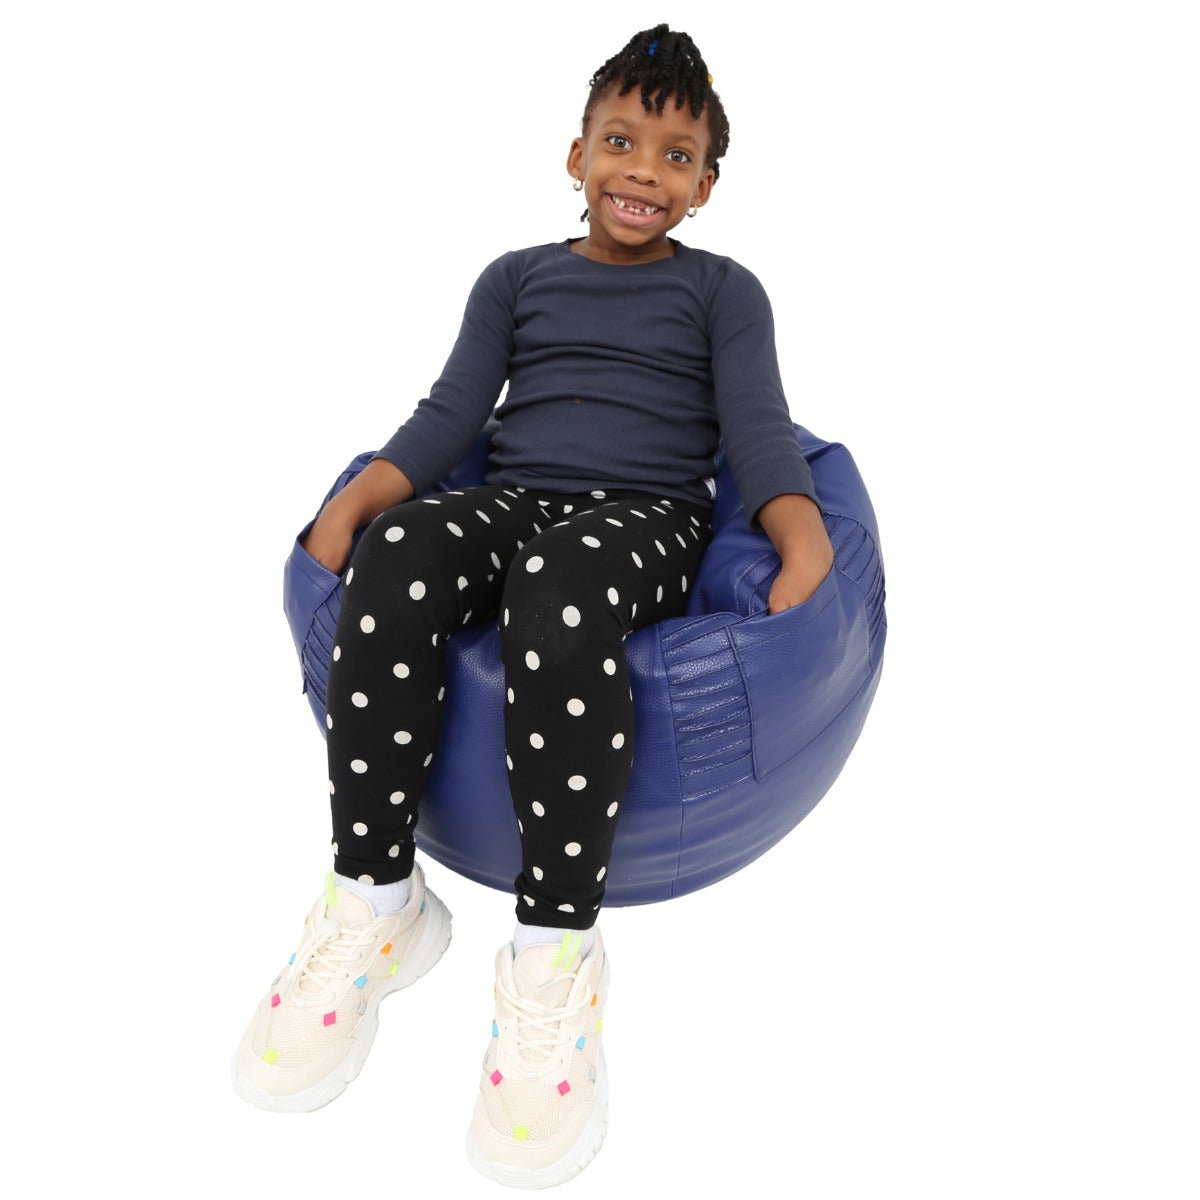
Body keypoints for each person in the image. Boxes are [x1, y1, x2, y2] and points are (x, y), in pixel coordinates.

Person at [232, 23, 834, 1189]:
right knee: (402, 553)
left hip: (646, 521)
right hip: (517, 498)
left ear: (706, 185)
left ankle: (555, 952)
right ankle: (377, 897)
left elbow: (760, 436)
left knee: (556, 594)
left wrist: (801, 547)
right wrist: (356, 507)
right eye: (620, 141)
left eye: (675, 155)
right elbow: (449, 416)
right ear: (575, 155)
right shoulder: (515, 278)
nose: (642, 171)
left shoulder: (723, 291)